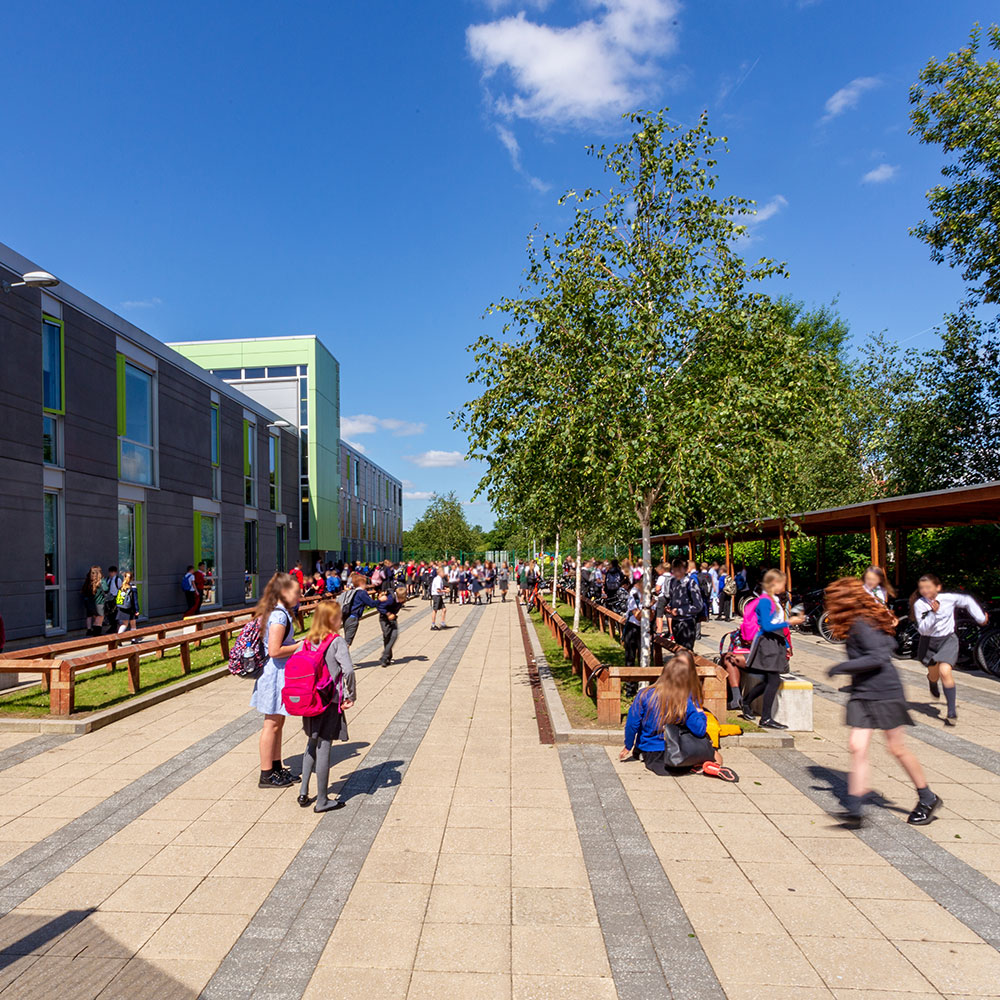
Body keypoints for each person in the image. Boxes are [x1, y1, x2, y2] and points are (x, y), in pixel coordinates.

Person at [824, 577, 940, 825]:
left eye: (833, 600)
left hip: (885, 691)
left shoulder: (863, 624)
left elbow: (879, 656)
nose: (830, 605)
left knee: (896, 748)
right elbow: (887, 643)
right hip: (863, 692)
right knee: (857, 747)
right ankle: (855, 809)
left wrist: (841, 667)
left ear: (844, 601)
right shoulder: (858, 623)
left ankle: (927, 796)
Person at [619, 653, 738, 781]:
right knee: (716, 755)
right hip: (679, 749)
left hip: (650, 751)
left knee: (650, 753)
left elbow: (632, 724)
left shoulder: (644, 694)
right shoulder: (685, 699)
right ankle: (705, 766)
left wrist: (628, 745)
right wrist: (699, 712)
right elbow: (700, 729)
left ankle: (690, 766)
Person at [296, 601, 356, 812]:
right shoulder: (336, 641)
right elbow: (347, 670)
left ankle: (303, 792)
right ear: (332, 620)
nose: (342, 619)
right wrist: (351, 695)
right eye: (339, 616)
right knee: (325, 748)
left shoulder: (306, 640)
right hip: (328, 701)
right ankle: (322, 800)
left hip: (309, 700)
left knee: (311, 743)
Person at [912, 574, 987, 727]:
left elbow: (966, 601)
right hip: (929, 641)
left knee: (945, 671)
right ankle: (932, 681)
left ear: (938, 587)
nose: (924, 590)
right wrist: (933, 614)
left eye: (928, 587)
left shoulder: (948, 598)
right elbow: (923, 630)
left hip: (948, 639)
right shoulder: (920, 604)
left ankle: (951, 712)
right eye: (921, 588)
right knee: (934, 674)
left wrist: (980, 618)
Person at [251, 572, 303, 788]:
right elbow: (274, 650)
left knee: (278, 722)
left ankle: (276, 767)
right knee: (272, 724)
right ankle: (266, 773)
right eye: (296, 592)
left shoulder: (279, 613)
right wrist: (300, 645)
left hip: (278, 675)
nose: (299, 596)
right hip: (273, 677)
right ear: (283, 592)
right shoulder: (279, 616)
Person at [741, 570, 805, 730]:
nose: (784, 587)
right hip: (768, 642)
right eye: (782, 583)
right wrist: (789, 622)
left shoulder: (772, 600)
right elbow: (768, 625)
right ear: (774, 583)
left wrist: (786, 643)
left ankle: (748, 702)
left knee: (770, 680)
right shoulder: (765, 601)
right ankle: (766, 717)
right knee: (773, 679)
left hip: (775, 641)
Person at [662, 558, 704, 649]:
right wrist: (669, 607)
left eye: (679, 570)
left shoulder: (691, 583)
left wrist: (680, 611)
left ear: (685, 570)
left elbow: (698, 606)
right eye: (674, 570)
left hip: (687, 623)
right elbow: (672, 599)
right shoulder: (673, 582)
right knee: (678, 650)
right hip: (675, 622)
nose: (676, 572)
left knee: (686, 651)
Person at [342, 573, 380, 646]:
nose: (366, 585)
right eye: (365, 583)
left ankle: (342, 656)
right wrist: (380, 600)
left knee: (346, 638)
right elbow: (371, 604)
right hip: (353, 618)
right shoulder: (362, 593)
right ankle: (342, 656)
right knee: (347, 642)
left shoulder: (352, 592)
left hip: (346, 617)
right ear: (361, 583)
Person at [377, 586, 406, 666]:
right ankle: (386, 658)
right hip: (384, 619)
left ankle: (385, 656)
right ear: (399, 597)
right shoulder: (390, 599)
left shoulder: (400, 601)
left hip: (392, 619)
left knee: (394, 636)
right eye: (403, 599)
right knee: (387, 637)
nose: (404, 601)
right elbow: (379, 607)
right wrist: (388, 614)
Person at [114, 571, 140, 641]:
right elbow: (135, 600)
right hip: (130, 608)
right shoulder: (133, 587)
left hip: (122, 608)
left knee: (124, 624)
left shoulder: (122, 587)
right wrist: (137, 610)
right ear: (132, 578)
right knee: (133, 624)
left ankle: (118, 639)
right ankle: (134, 640)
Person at [623, 577, 642, 667]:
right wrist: (648, 606)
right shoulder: (634, 594)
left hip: (644, 628)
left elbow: (651, 617)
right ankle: (630, 679)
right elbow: (637, 616)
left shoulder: (649, 595)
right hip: (633, 626)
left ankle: (644, 678)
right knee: (630, 654)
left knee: (644, 655)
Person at [81, 566, 105, 636]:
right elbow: (106, 589)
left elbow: (84, 590)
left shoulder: (88, 580)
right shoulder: (100, 581)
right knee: (99, 617)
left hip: (89, 602)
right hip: (99, 602)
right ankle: (97, 633)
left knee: (90, 616)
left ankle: (89, 630)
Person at [103, 565, 122, 634]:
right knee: (109, 614)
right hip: (108, 598)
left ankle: (114, 628)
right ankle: (112, 627)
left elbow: (120, 589)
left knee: (114, 613)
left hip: (115, 598)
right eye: (110, 572)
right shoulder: (108, 579)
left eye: (112, 572)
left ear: (115, 572)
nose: (110, 574)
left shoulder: (117, 580)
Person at [431, 564, 448, 630]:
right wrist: (445, 591)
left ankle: (442, 623)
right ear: (440, 573)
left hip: (439, 596)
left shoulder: (440, 579)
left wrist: (443, 588)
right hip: (436, 596)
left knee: (444, 609)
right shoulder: (438, 579)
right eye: (443, 572)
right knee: (435, 610)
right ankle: (433, 625)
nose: (444, 574)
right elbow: (438, 590)